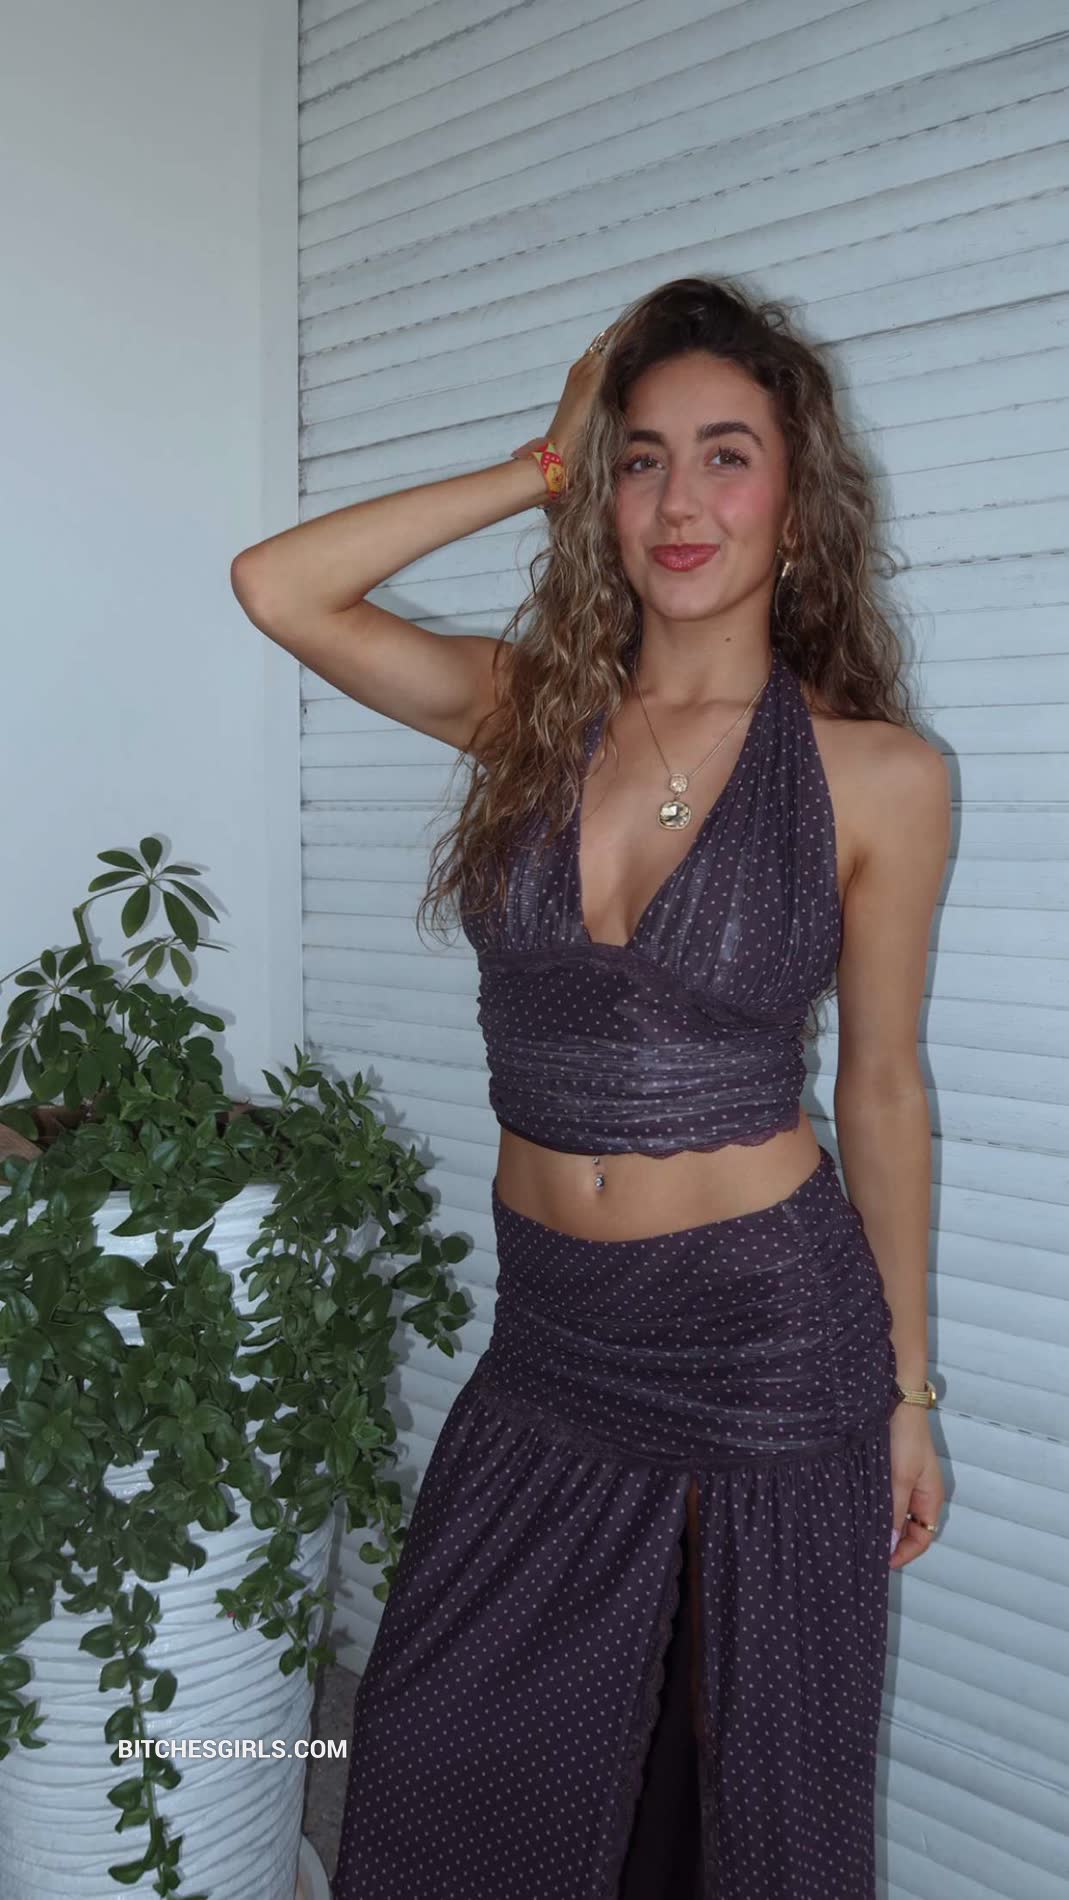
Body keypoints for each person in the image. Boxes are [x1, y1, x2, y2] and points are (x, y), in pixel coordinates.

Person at [230, 275, 950, 1899]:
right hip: (553, 1337)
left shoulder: (876, 775)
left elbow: (883, 1090)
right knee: (443, 1751)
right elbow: (280, 587)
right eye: (640, 460)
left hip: (764, 1343)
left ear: (797, 501)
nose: (678, 502)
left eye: (725, 456)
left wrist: (908, 1395)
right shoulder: (529, 719)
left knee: (716, 1802)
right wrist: (533, 465)